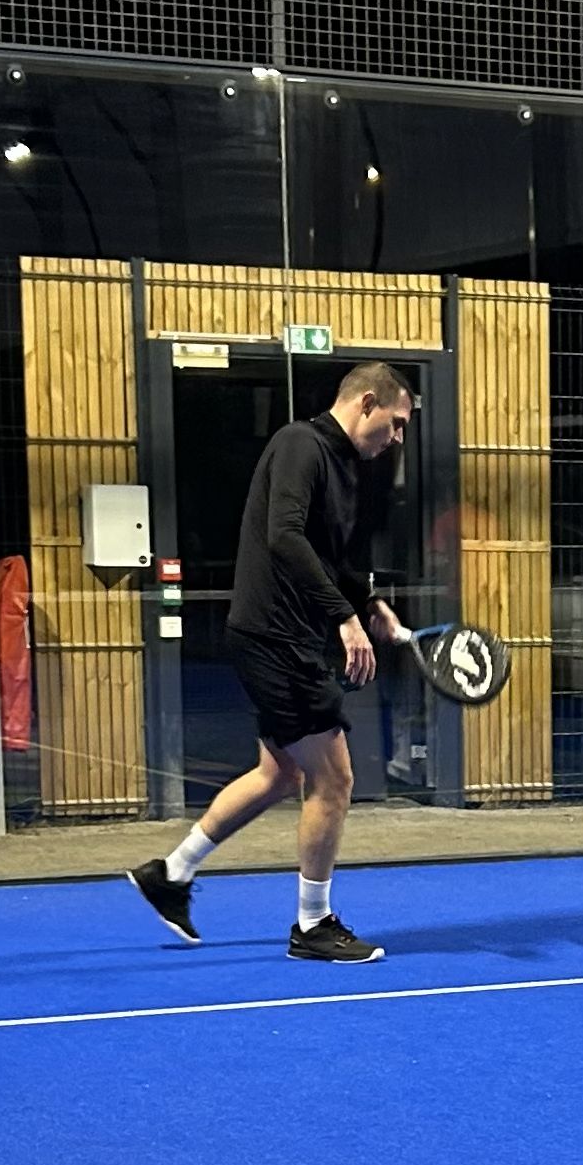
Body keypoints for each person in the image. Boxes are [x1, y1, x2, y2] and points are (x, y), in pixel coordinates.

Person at [128, 361, 414, 961]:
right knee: (334, 780)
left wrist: (371, 606)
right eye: (395, 423)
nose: (397, 438)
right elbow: (285, 535)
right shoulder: (299, 444)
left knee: (279, 774)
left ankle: (170, 874)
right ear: (367, 402)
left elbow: (334, 559)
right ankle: (312, 926)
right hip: (276, 639)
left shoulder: (346, 469)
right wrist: (344, 618)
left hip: (285, 638)